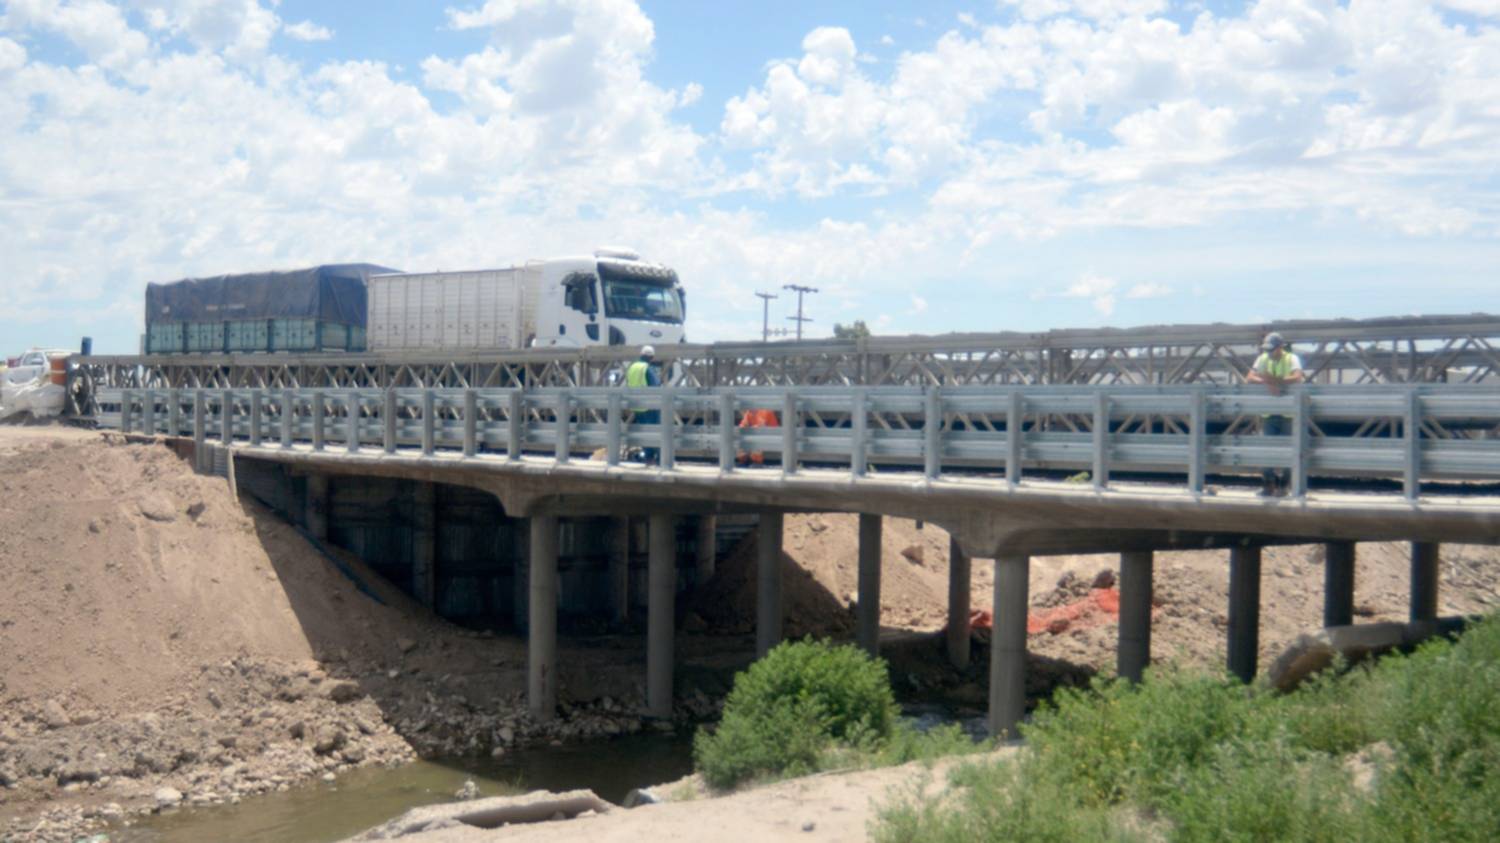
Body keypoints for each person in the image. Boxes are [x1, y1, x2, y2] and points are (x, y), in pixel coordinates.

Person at [1245, 332, 1305, 496]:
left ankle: (1284, 487)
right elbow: (1250, 377)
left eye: (1272, 349)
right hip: (1269, 413)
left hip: (1289, 413)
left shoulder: (1291, 358)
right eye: (1267, 349)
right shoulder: (1262, 358)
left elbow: (1297, 377)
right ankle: (1268, 485)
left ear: (1280, 347)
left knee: (1289, 451)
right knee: (1265, 450)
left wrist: (1276, 381)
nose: (1269, 352)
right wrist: (1267, 381)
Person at [626, 345, 662, 464]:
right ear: (651, 357)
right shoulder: (646, 367)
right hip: (649, 404)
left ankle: (648, 458)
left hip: (636, 404)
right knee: (656, 431)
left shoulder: (632, 367)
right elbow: (655, 385)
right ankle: (661, 460)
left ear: (641, 355)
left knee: (644, 432)